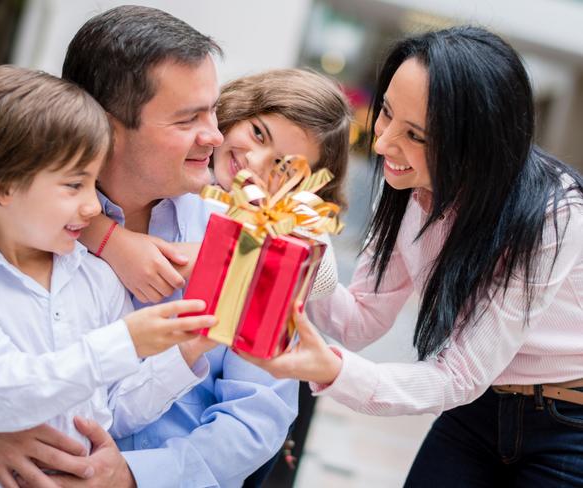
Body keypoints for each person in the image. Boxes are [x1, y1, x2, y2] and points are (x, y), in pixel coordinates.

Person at [0, 6, 297, 488]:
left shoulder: (250, 238)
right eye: (189, 118)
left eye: (214, 109)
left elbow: (261, 416)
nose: (214, 134)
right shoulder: (33, 222)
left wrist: (133, 476)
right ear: (106, 125)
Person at [245, 26, 583, 487]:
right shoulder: (411, 182)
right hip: (478, 409)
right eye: (386, 113)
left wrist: (335, 370)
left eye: (416, 135)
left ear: (475, 145)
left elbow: (460, 373)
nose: (382, 143)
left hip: (568, 423)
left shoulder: (555, 218)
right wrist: (306, 244)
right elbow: (358, 319)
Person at [0, 64, 218, 488]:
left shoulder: (98, 279)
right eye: (73, 186)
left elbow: (115, 410)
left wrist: (184, 353)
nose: (92, 207)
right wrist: (124, 342)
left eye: (93, 185)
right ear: (0, 188)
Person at [85, 67, 353, 486]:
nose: (256, 162)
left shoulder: (277, 237)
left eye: (284, 166)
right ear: (233, 112)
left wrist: (137, 475)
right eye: (259, 134)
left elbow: (253, 416)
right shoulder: (96, 194)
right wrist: (107, 238)